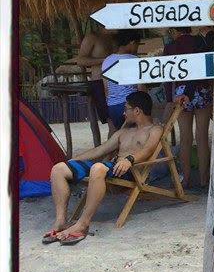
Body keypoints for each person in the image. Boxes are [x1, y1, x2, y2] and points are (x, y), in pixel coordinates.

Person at [43, 91, 163, 245]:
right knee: (58, 169)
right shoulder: (123, 132)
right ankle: (60, 221)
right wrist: (74, 160)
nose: (123, 112)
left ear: (137, 110)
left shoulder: (155, 129)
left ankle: (83, 224)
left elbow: (147, 150)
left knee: (98, 168)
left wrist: (130, 160)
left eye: (126, 108)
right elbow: (100, 150)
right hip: (111, 167)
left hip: (131, 170)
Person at [162, 28, 212, 192]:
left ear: (174, 30)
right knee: (202, 137)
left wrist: (169, 100)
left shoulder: (170, 47)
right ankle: (204, 179)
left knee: (185, 138)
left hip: (180, 92)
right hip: (201, 89)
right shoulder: (200, 41)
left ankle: (185, 179)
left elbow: (168, 76)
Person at [75, 21, 116, 131]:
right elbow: (80, 60)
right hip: (100, 81)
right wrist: (106, 60)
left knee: (123, 120)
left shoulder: (117, 38)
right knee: (112, 122)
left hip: (118, 82)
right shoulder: (92, 37)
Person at [101, 30, 143, 132]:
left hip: (113, 105)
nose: (137, 48)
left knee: (121, 134)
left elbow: (106, 88)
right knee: (135, 134)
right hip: (131, 104)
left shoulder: (106, 61)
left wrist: (110, 104)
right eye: (137, 44)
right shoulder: (135, 59)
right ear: (132, 42)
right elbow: (141, 87)